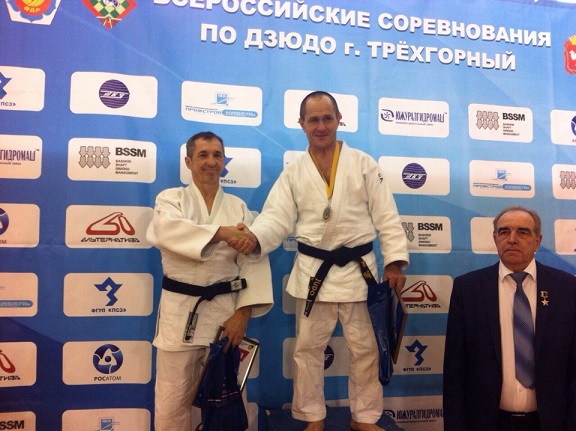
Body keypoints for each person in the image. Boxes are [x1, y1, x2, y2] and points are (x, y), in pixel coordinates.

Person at [234, 91, 409, 431]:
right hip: (315, 273)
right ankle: (312, 415)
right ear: (301, 124)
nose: (321, 126)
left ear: (339, 119)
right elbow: (275, 218)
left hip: (360, 273)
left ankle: (365, 417)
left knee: (366, 349)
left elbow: (387, 215)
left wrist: (394, 262)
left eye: (327, 118)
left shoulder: (363, 164)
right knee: (307, 350)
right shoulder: (294, 173)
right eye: (313, 120)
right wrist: (254, 238)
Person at [146, 131, 274, 431]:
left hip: (224, 316)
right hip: (180, 313)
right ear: (189, 161)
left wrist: (243, 313)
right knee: (171, 401)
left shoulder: (238, 208)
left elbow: (253, 261)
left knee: (225, 400)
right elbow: (167, 231)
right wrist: (224, 233)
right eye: (203, 155)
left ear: (224, 162)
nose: (211, 161)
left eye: (217, 155)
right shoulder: (171, 200)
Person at [443, 205, 576, 431]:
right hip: (487, 423)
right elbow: (455, 371)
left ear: (537, 241)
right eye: (504, 232)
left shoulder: (567, 288)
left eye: (523, 232)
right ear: (495, 238)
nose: (512, 239)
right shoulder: (468, 289)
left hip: (551, 423)